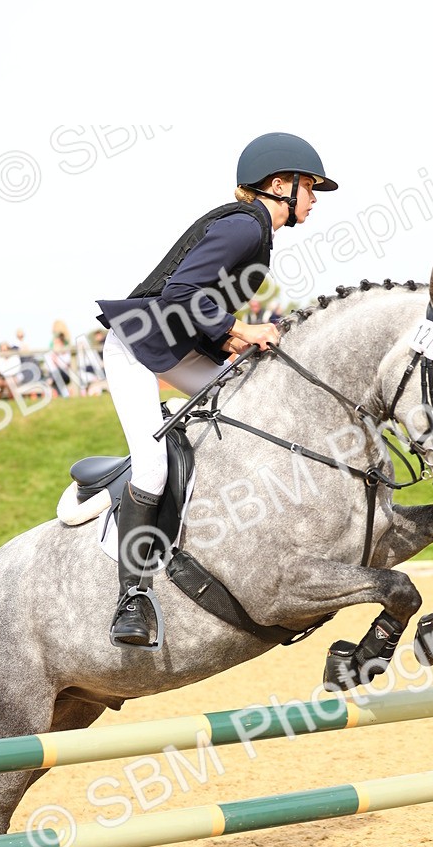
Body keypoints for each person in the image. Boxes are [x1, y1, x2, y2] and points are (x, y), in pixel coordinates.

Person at [96, 131, 338, 646]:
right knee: (153, 464)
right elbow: (182, 292)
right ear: (280, 185)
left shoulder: (254, 233)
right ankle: (132, 599)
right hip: (136, 347)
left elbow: (192, 301)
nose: (315, 199)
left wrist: (227, 340)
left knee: (250, 412)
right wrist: (235, 330)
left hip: (175, 346)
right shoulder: (244, 228)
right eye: (311, 188)